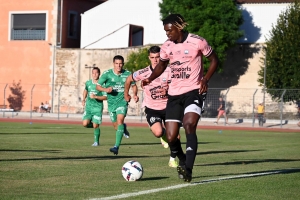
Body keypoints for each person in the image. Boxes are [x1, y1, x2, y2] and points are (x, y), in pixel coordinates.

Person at [142, 14, 219, 182]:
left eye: (170, 30)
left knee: (189, 124)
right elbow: (161, 66)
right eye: (165, 31)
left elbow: (214, 60)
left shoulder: (198, 41)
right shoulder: (167, 46)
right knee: (170, 137)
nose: (167, 34)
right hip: (174, 95)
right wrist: (150, 78)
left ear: (179, 27)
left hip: (194, 91)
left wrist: (205, 79)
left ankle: (188, 169)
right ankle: (182, 160)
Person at [124, 45, 178, 168]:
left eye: (158, 57)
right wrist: (126, 93)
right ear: (149, 57)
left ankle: (172, 159)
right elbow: (128, 80)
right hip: (152, 108)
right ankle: (163, 135)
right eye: (153, 57)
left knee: (175, 135)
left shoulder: (170, 71)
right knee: (158, 132)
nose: (155, 60)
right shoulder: (144, 73)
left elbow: (178, 86)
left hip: (169, 106)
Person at [96, 55, 138, 155]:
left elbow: (134, 85)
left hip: (122, 101)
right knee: (117, 126)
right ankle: (123, 127)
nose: (119, 66)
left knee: (119, 121)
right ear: (113, 64)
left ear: (123, 64)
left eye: (120, 64)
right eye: (117, 64)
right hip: (111, 103)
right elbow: (98, 86)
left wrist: (134, 94)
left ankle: (116, 147)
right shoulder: (107, 74)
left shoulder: (128, 74)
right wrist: (106, 90)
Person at [82, 67, 107, 146]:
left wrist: (96, 97)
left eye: (96, 73)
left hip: (97, 108)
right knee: (85, 124)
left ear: (99, 74)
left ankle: (96, 142)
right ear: (91, 74)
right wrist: (83, 99)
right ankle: (94, 125)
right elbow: (85, 90)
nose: (95, 74)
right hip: (88, 107)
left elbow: (106, 97)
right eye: (93, 73)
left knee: (96, 125)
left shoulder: (102, 84)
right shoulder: (88, 83)